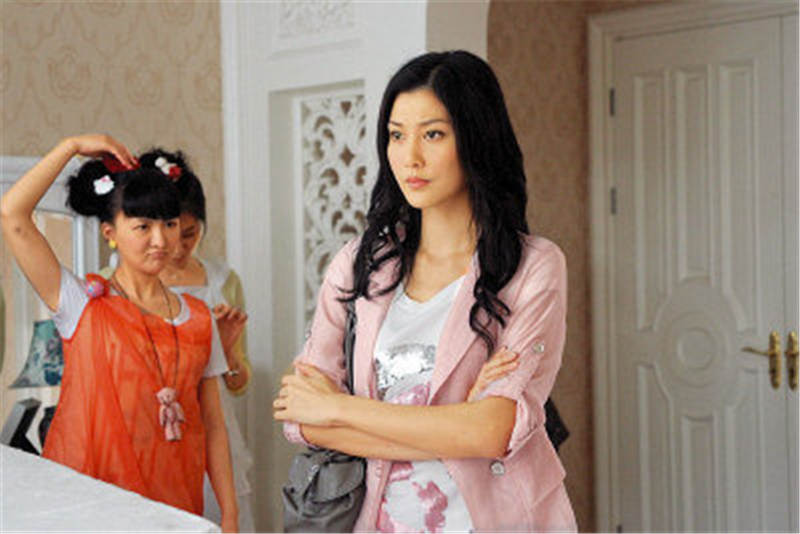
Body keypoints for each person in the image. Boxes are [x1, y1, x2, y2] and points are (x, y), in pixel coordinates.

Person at [273, 50, 577, 532]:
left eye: (433, 134)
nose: (409, 157)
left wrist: (340, 409)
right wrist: (459, 424)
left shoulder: (532, 267)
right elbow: (302, 418)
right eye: (397, 135)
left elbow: (493, 431)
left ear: (476, 138)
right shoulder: (358, 264)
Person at [0, 134, 239, 532]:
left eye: (169, 224)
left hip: (174, 506)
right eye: (143, 226)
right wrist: (71, 146)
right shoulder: (82, 303)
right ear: (110, 232)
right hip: (89, 505)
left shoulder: (199, 318)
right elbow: (12, 214)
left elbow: (213, 425)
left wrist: (229, 514)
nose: (160, 240)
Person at [109, 148, 256, 531]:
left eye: (187, 233)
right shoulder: (110, 287)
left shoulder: (223, 281)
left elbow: (238, 385)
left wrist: (225, 352)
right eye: (152, 228)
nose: (173, 246)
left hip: (210, 429)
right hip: (140, 436)